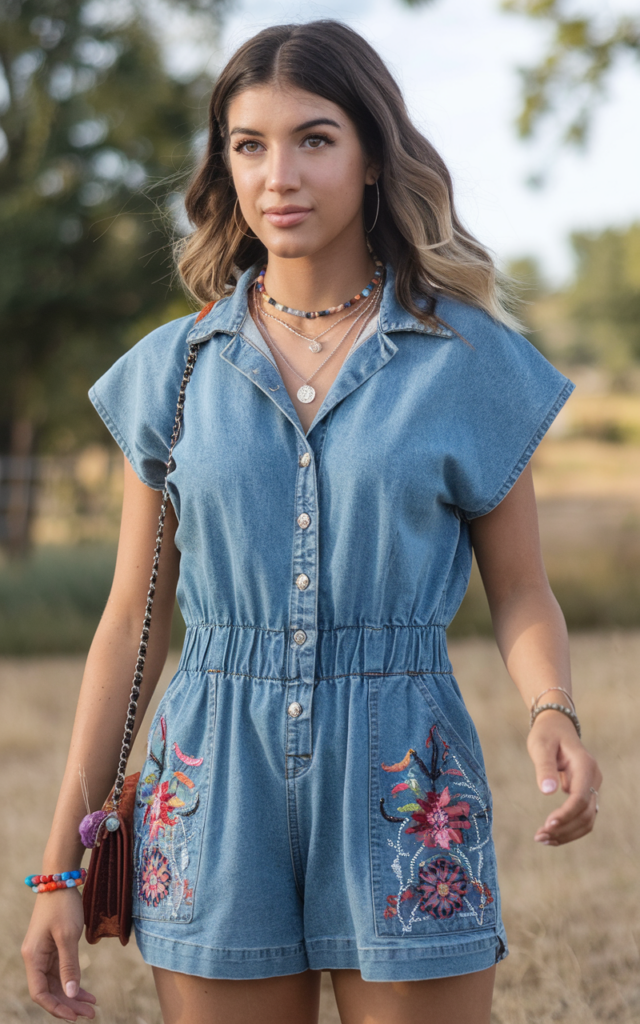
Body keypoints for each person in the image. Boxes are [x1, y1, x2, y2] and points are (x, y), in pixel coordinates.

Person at [21, 20, 602, 1024]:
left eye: (315, 139)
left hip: (407, 775)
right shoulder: (173, 371)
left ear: (373, 157)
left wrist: (552, 708)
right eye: (249, 145)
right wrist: (58, 867)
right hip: (211, 787)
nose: (278, 175)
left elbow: (519, 590)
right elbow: (131, 622)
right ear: (225, 164)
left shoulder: (467, 360)